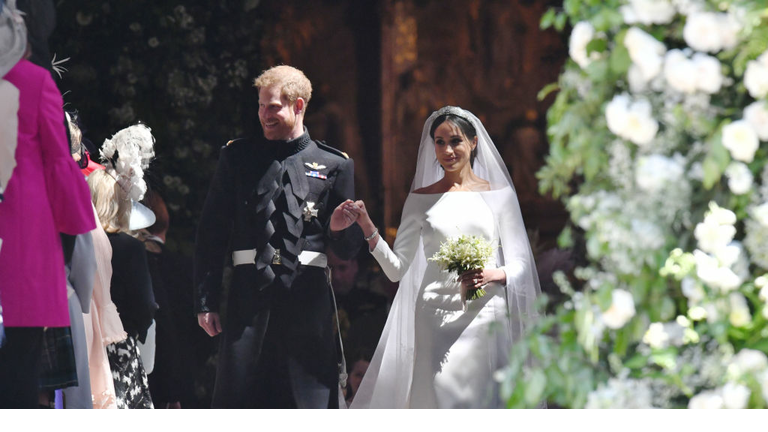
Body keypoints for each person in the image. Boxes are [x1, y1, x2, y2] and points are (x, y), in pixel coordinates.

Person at [347, 106, 542, 408]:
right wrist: (369, 228)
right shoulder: (419, 199)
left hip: (485, 314)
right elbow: (396, 270)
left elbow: (521, 264)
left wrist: (492, 274)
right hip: (433, 319)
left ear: (473, 142)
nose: (447, 150)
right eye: (439, 142)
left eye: (455, 141)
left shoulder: (499, 195)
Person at [194, 65, 362, 409]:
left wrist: (338, 229)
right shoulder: (237, 158)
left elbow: (348, 249)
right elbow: (212, 233)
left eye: (273, 107)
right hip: (247, 303)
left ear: (298, 106)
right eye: (260, 106)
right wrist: (205, 300)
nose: (263, 115)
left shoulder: (335, 165)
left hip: (307, 307)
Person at [0, 1, 97, 408]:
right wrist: (78, 224)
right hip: (23, 237)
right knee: (21, 363)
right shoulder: (35, 82)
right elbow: (59, 163)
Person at [88, 123, 158, 409]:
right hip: (120, 349)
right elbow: (145, 305)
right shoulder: (129, 247)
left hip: (86, 344)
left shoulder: (78, 244)